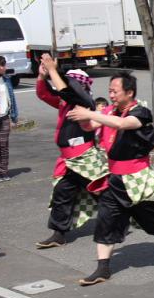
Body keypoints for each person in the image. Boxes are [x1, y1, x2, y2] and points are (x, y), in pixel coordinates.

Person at [66, 71, 154, 285]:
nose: (111, 95)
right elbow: (92, 125)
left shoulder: (141, 112)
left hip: (137, 178)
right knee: (106, 220)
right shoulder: (110, 111)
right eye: (109, 91)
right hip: (114, 178)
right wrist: (83, 118)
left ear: (129, 92)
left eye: (115, 91)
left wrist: (92, 114)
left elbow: (122, 125)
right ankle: (103, 268)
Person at [34, 56, 109, 249]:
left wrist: (53, 70)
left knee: (101, 192)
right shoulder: (65, 101)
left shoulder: (84, 102)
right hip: (68, 160)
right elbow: (45, 94)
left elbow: (67, 91)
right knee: (62, 193)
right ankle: (59, 233)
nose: (66, 84)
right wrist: (43, 76)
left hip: (84, 158)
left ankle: (120, 218)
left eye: (71, 82)